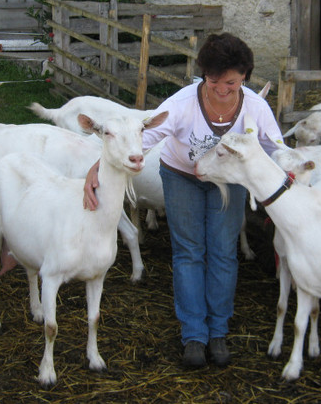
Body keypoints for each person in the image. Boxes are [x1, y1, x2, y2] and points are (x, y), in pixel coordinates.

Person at [83, 32, 283, 368]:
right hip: (181, 177)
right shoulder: (180, 104)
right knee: (189, 251)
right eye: (215, 81)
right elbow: (139, 138)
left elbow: (276, 148)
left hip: (228, 182)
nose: (222, 89)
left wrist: (297, 172)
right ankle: (193, 334)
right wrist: (97, 167)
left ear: (245, 77)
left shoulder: (256, 107)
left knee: (222, 251)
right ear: (205, 75)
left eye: (231, 83)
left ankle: (217, 331)